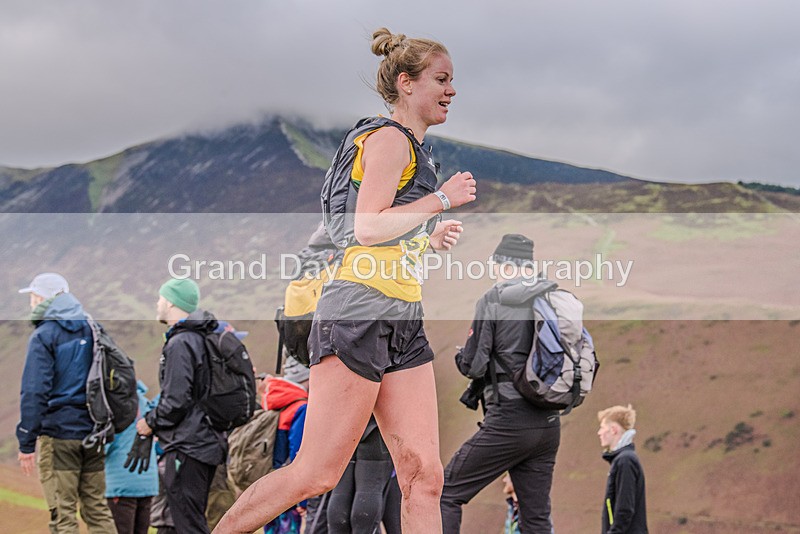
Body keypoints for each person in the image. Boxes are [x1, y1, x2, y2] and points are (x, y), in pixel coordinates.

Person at [215, 27, 476, 534]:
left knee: (424, 476)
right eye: (441, 79)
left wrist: (429, 232)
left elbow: (386, 229)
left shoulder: (414, 151)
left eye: (452, 81)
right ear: (406, 83)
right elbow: (365, 227)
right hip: (357, 312)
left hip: (402, 318)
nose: (451, 90)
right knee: (316, 473)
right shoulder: (388, 139)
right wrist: (441, 199)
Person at [440, 235, 560, 534]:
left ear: (503, 264)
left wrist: (460, 356)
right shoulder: (552, 298)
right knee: (536, 518)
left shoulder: (494, 299)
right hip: (548, 423)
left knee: (446, 493)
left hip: (509, 420)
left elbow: (474, 365)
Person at [16, 272, 118, 533]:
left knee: (63, 515)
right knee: (97, 510)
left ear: (42, 298)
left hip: (59, 436)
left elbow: (34, 391)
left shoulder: (44, 334)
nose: (31, 302)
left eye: (33, 296)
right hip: (94, 435)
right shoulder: (93, 328)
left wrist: (27, 441)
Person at [135, 278, 227, 534]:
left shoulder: (181, 343)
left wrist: (150, 422)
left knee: (188, 524)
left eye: (161, 298)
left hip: (189, 445)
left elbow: (176, 400)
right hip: (204, 441)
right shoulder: (200, 338)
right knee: (183, 521)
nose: (157, 303)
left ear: (172, 302)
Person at [262, 356, 310, 534]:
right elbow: (297, 453)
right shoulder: (301, 407)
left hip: (268, 481)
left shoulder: (277, 401)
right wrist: (303, 499)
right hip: (288, 488)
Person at [105, 380, 159, 534]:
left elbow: (104, 446)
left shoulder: (114, 406)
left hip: (122, 483)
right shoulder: (146, 404)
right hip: (148, 483)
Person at [597, 405, 648, 534]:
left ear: (613, 430)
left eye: (602, 428)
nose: (599, 432)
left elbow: (625, 508)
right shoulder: (622, 460)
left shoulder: (625, 461)